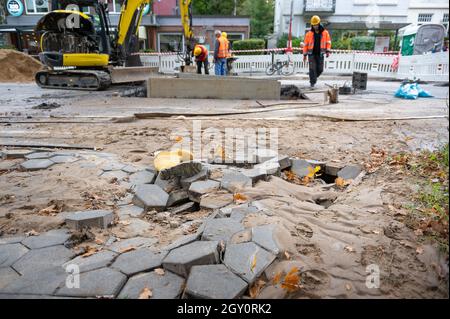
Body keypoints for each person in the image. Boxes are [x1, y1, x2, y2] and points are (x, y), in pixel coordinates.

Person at [303, 15, 331, 88]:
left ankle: (313, 78)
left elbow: (328, 42)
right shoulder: (309, 34)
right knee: (312, 69)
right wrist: (304, 55)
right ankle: (312, 82)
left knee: (320, 69)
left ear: (319, 23)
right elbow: (305, 45)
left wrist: (327, 51)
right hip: (311, 54)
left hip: (320, 54)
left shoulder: (325, 33)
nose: (315, 26)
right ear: (312, 25)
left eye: (316, 24)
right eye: (314, 25)